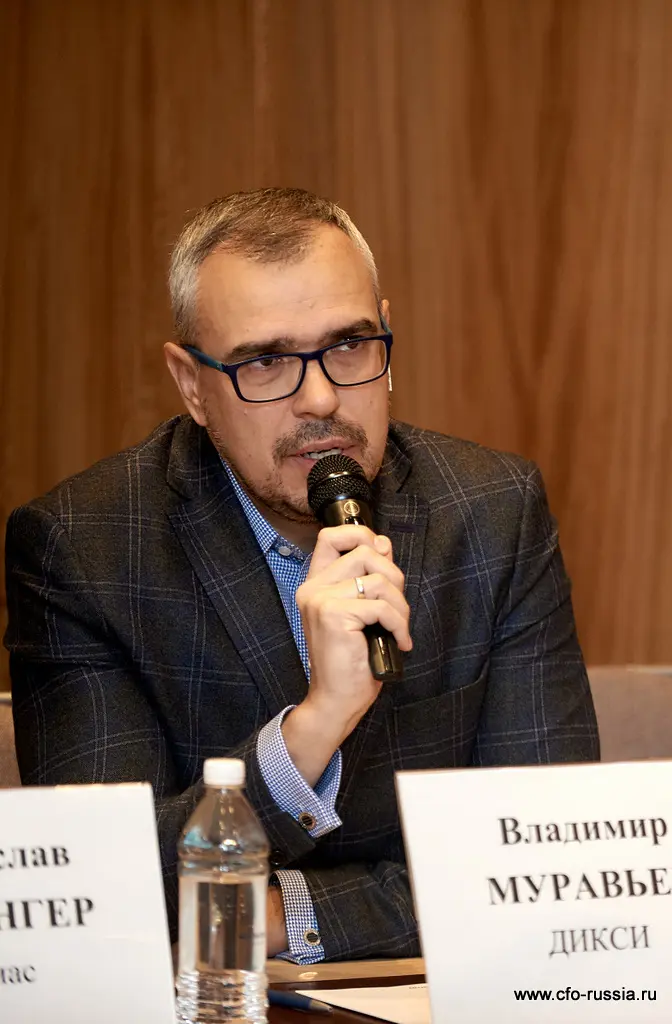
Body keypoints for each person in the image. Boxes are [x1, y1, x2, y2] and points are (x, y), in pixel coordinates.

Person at [5, 188, 599, 963]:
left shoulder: (492, 513)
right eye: (266, 361)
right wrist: (314, 726)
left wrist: (283, 913)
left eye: (349, 345)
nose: (320, 397)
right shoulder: (86, 549)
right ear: (192, 385)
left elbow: (549, 866)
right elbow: (100, 894)